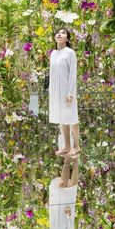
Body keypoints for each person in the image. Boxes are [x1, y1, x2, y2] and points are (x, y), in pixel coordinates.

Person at [49, 28, 80, 158]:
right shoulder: (53, 53)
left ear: (67, 39)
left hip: (67, 90)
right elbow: (52, 74)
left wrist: (70, 92)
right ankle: (67, 146)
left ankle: (76, 146)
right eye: (58, 32)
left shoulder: (70, 53)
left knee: (72, 118)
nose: (59, 34)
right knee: (63, 118)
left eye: (63, 33)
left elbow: (73, 74)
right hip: (56, 91)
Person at [49, 154, 79, 229]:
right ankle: (76, 160)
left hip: (56, 210)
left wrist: (51, 206)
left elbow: (51, 221)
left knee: (62, 185)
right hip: (66, 214)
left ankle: (67, 160)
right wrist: (69, 215)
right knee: (71, 187)